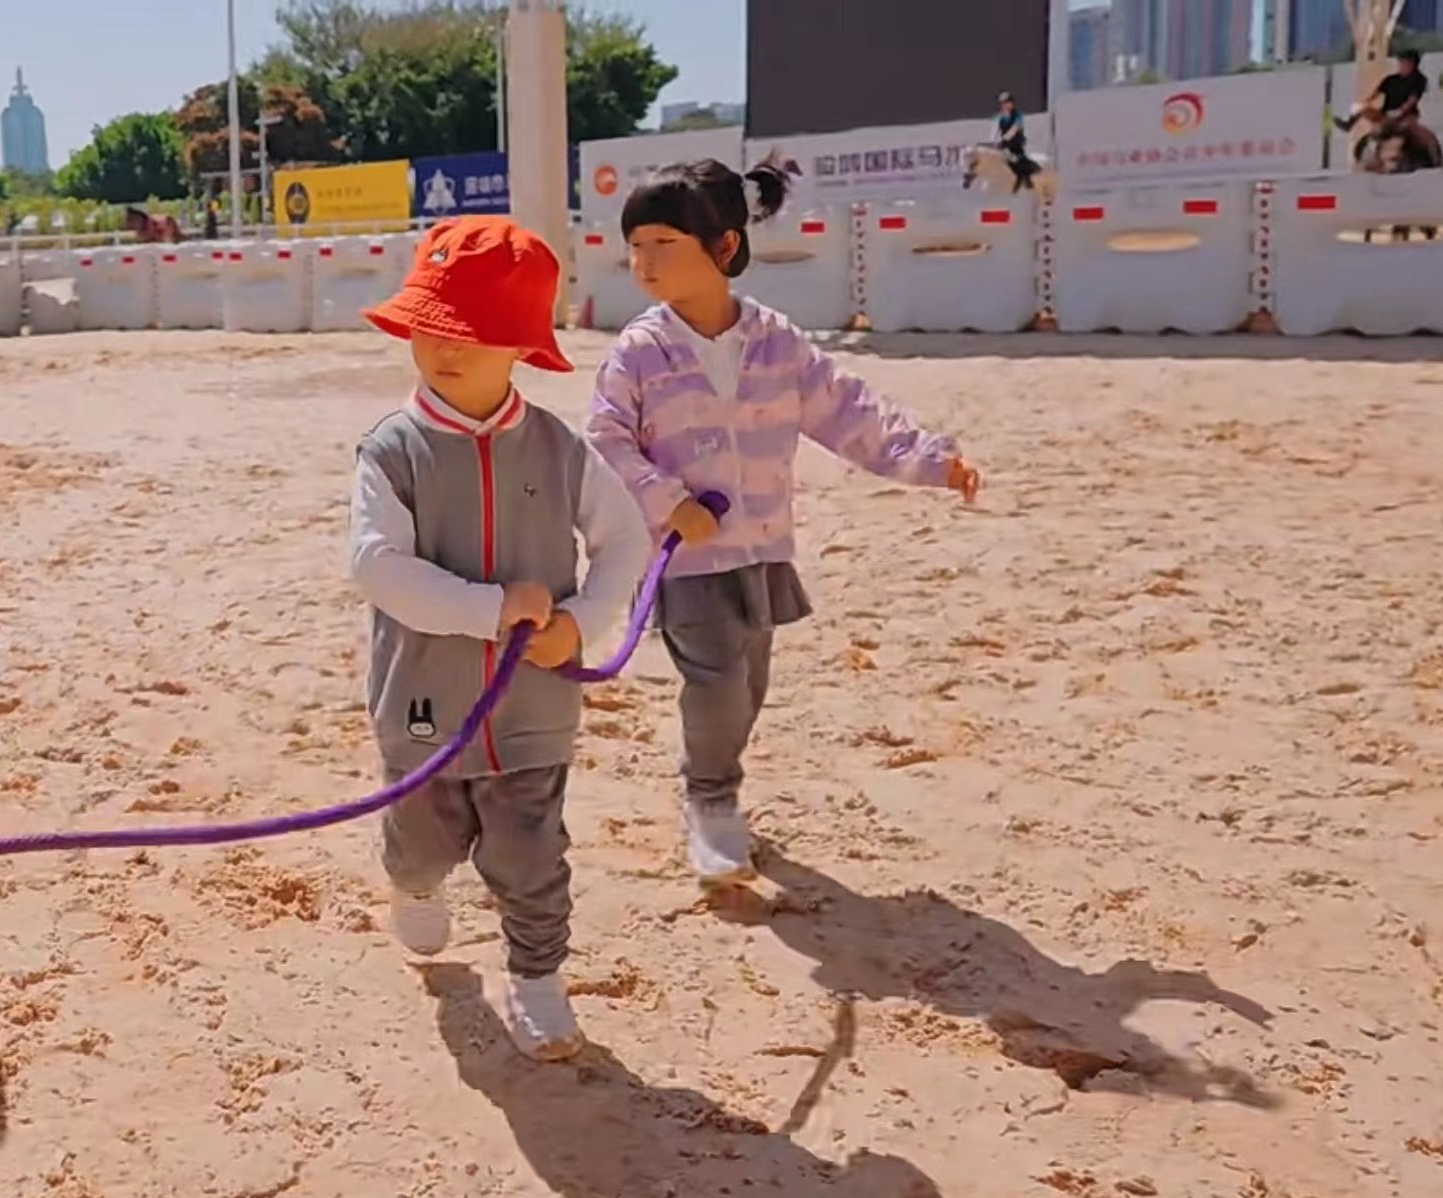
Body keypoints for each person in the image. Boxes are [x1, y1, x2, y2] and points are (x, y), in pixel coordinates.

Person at [584, 159, 983, 889]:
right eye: (634, 245)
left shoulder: (778, 344)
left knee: (749, 686)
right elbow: (606, 438)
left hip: (762, 549)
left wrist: (930, 460)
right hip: (685, 558)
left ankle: (716, 780)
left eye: (663, 243)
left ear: (725, 247)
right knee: (714, 683)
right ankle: (711, 801)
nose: (642, 262)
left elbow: (852, 412)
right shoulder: (639, 351)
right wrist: (666, 499)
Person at [348, 215, 651, 1061]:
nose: (444, 350)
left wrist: (580, 626)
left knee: (531, 851)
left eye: (472, 335)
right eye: (430, 328)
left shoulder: (561, 449)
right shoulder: (391, 451)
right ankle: (411, 884)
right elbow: (377, 567)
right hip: (419, 703)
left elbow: (625, 543)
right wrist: (491, 607)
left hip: (534, 706)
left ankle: (539, 978)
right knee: (421, 837)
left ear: (520, 344)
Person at [1337, 50, 1438, 163]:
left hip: (1407, 115)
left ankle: (1435, 159)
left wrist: (1400, 111)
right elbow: (1375, 94)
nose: (1401, 65)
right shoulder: (1391, 79)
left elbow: (1413, 99)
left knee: (1418, 133)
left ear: (1413, 64)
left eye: (1404, 62)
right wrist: (1365, 103)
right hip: (1385, 114)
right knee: (1364, 113)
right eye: (1401, 62)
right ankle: (1348, 125)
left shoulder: (1419, 80)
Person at [995, 91, 1038, 191]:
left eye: (1007, 103)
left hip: (1016, 143)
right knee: (1006, 160)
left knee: (1019, 160)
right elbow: (996, 130)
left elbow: (1015, 129)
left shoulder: (1017, 115)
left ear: (1011, 103)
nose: (1005, 105)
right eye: (1003, 103)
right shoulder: (1001, 117)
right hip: (1006, 145)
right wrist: (996, 140)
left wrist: (1005, 140)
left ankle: (1026, 178)